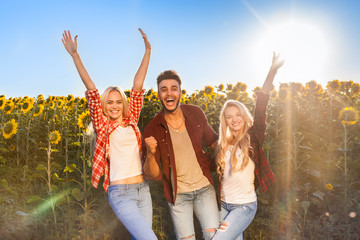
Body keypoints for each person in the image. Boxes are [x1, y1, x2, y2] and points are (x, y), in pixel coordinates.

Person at [62, 28, 157, 240]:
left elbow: (138, 86)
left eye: (118, 102)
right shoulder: (102, 124)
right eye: (110, 103)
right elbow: (91, 89)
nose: (114, 106)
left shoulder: (131, 118)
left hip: (143, 189)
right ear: (104, 106)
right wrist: (75, 55)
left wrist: (148, 51)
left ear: (124, 104)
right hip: (121, 193)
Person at [211, 52, 283, 240]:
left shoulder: (254, 136)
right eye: (229, 117)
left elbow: (261, 103)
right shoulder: (222, 144)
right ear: (225, 121)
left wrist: (272, 71)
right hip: (224, 205)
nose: (234, 119)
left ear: (243, 115)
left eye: (237, 114)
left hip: (244, 206)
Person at [143, 70, 219, 240]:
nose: (169, 93)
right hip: (178, 195)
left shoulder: (196, 113)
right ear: (158, 95)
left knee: (214, 237)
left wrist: (233, 151)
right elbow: (153, 175)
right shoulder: (152, 128)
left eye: (173, 88)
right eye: (164, 89)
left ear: (180, 91)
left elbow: (214, 142)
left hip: (204, 189)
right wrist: (150, 153)